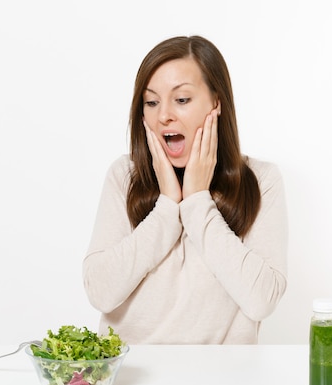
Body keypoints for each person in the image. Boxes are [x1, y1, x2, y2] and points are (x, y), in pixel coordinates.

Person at [82, 35, 287, 344]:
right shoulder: (125, 176)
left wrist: (196, 201)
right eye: (151, 102)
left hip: (223, 383)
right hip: (134, 380)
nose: (164, 115)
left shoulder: (260, 180)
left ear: (216, 102)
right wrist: (166, 206)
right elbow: (100, 291)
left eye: (182, 100)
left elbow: (261, 300)